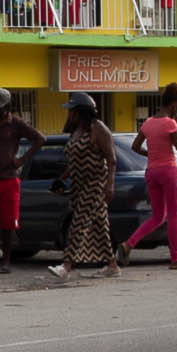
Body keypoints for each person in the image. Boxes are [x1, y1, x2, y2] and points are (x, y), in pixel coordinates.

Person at [121, 82, 177, 271]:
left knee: (158, 215)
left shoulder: (148, 123)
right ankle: (175, 258)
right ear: (175, 105)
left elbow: (135, 147)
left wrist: (151, 155)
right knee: (174, 216)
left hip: (151, 172)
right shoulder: (170, 123)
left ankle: (129, 243)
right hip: (168, 171)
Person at [0, 88, 46, 272]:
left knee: (7, 223)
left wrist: (21, 159)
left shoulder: (16, 124)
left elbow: (40, 139)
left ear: (7, 108)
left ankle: (6, 261)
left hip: (8, 179)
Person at [48, 93, 119, 279]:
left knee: (78, 222)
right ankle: (112, 265)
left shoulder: (98, 129)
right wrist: (61, 179)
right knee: (99, 224)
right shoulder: (77, 132)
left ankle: (66, 266)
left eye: (72, 110)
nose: (69, 114)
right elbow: (73, 161)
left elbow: (111, 159)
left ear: (81, 111)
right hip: (79, 184)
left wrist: (110, 184)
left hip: (95, 183)